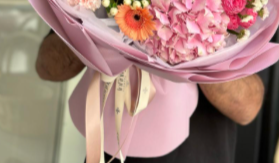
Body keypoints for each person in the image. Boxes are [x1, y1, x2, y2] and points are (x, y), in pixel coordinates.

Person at [36, 31, 264, 163]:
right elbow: (46, 67)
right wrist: (94, 20)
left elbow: (247, 107)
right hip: (110, 155)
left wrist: (193, 35)